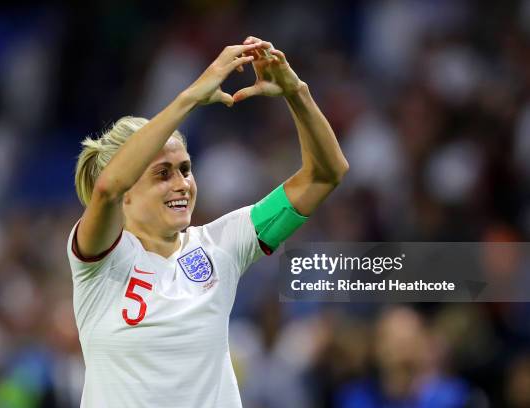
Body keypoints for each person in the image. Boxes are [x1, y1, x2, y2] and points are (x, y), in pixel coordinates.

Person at [67, 35, 348, 407]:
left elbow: (325, 175)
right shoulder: (99, 262)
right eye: (163, 173)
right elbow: (106, 189)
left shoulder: (222, 244)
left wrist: (296, 92)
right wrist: (191, 97)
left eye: (185, 169)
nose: (182, 183)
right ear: (129, 191)